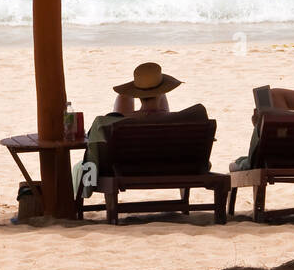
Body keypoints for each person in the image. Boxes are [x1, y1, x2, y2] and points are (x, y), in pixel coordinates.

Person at [72, 62, 208, 196]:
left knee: (78, 167)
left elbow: (94, 157)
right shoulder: (192, 118)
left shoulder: (106, 123)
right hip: (181, 168)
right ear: (162, 93)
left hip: (124, 171)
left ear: (137, 95)